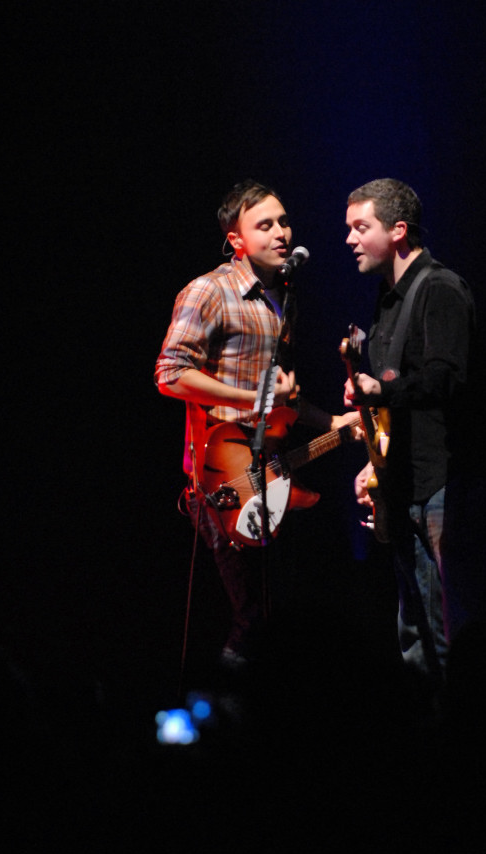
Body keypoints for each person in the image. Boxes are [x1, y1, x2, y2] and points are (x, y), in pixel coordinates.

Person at [155, 179, 355, 677]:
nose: (280, 232)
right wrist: (253, 399)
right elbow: (170, 373)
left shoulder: (281, 297)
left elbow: (279, 396)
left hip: (268, 471)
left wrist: (332, 421)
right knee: (250, 622)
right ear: (236, 239)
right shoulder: (210, 290)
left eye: (283, 221)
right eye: (264, 225)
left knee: (279, 616)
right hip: (220, 479)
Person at [343, 178, 486, 697]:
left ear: (398, 230)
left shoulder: (440, 289)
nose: (350, 239)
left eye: (360, 227)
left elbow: (446, 379)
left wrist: (380, 389)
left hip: (456, 485)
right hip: (409, 487)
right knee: (419, 637)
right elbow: (397, 408)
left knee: (469, 629)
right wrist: (375, 461)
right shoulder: (387, 301)